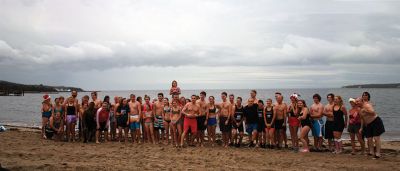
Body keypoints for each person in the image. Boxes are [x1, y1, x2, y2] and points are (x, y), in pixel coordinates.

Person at [358, 95, 385, 159]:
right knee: (369, 139)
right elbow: (362, 118)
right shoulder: (359, 109)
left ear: (362, 101)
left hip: (376, 122)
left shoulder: (367, 105)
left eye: (358, 101)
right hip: (368, 124)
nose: (357, 103)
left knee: (376, 138)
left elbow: (373, 113)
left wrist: (365, 111)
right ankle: (371, 152)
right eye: (356, 102)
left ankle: (378, 154)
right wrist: (361, 127)